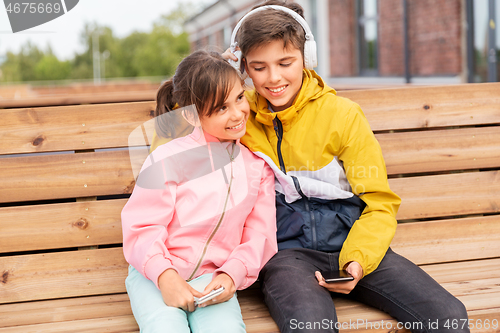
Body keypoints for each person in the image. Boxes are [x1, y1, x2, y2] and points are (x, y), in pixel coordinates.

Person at [223, 1, 470, 332]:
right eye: (259, 67)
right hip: (287, 256)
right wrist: (218, 74)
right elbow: (181, 131)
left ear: (307, 59)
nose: (274, 77)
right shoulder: (238, 113)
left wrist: (357, 259)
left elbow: (379, 202)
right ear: (244, 68)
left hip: (354, 244)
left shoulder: (344, 115)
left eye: (286, 62)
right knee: (310, 326)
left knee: (448, 316)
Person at [121, 50, 278, 333]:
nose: (237, 113)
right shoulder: (167, 159)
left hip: (212, 279)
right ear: (193, 116)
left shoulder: (257, 169)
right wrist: (165, 276)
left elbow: (260, 234)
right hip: (155, 274)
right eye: (221, 108)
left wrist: (232, 274)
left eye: (240, 98)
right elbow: (143, 225)